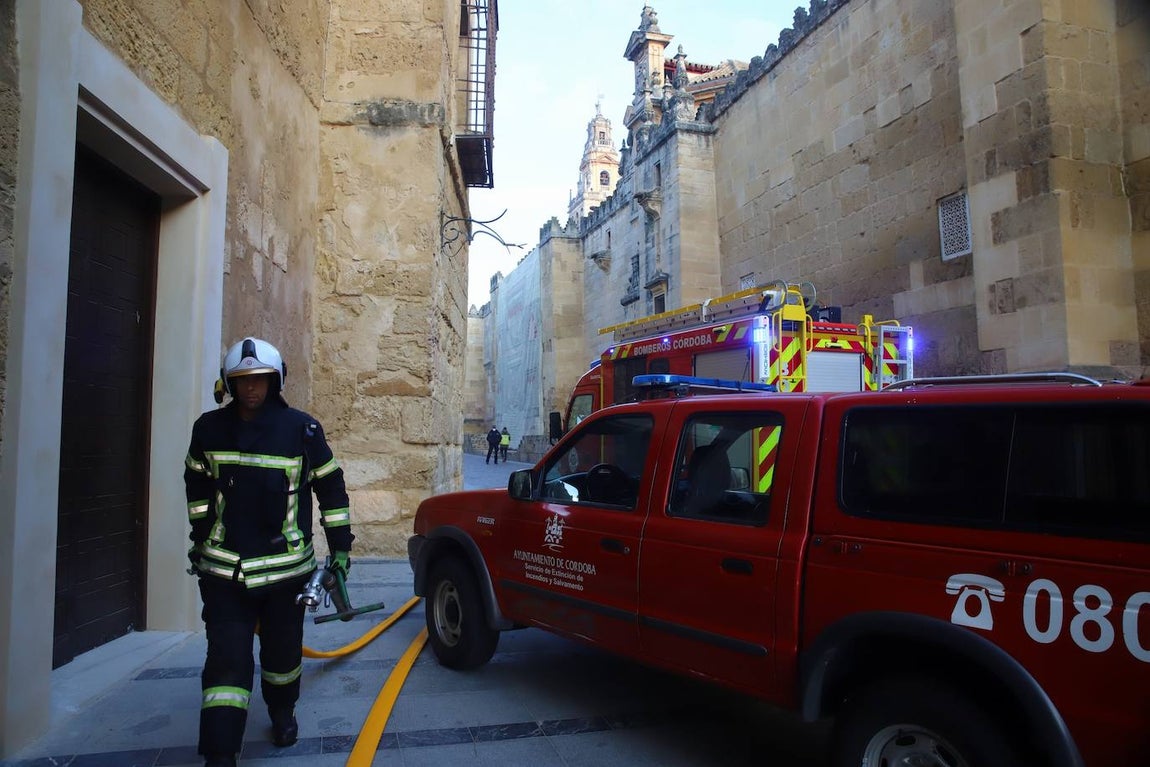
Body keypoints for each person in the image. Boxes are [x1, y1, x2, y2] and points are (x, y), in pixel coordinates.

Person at [185, 337, 355, 767]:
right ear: (229, 384)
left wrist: (340, 550)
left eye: (260, 379)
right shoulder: (208, 429)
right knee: (226, 661)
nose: (251, 389)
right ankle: (220, 753)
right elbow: (197, 486)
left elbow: (331, 489)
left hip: (285, 574)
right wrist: (201, 535)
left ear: (276, 380)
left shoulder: (303, 429)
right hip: (226, 571)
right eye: (242, 381)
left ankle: (283, 712)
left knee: (282, 654)